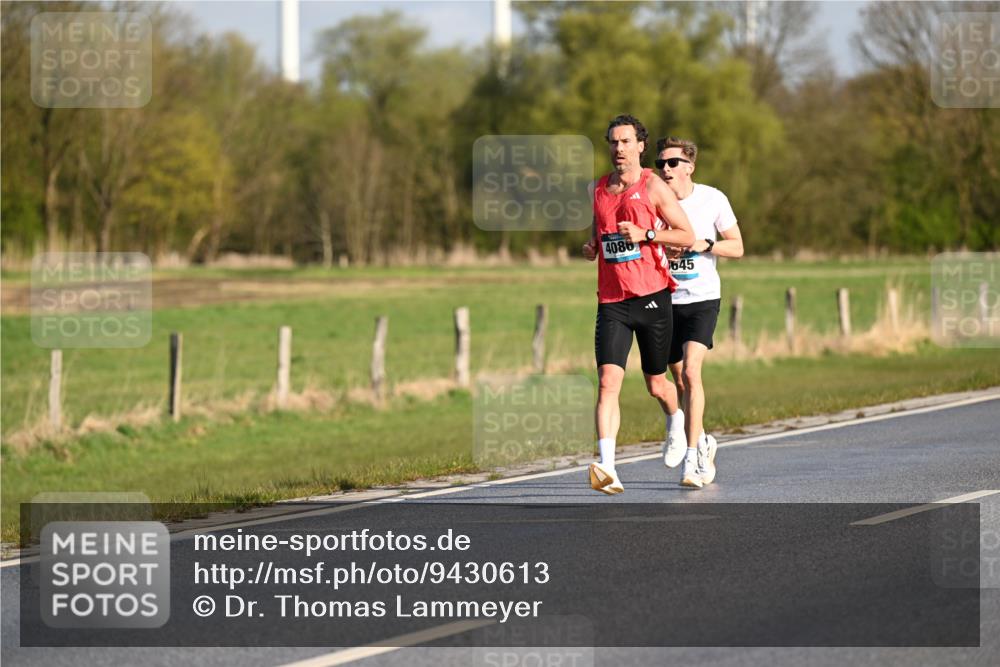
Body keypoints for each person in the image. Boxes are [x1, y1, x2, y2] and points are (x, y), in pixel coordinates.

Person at [580, 115, 695, 494]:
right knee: (607, 383)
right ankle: (607, 467)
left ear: (640, 146)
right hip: (612, 300)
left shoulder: (654, 186)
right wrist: (593, 245)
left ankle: (675, 419)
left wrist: (647, 233)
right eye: (613, 142)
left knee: (656, 384)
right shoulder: (598, 188)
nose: (619, 149)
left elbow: (686, 234)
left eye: (626, 142)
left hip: (651, 296)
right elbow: (601, 229)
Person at [655, 137, 744, 488]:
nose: (666, 169)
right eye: (662, 163)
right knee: (676, 380)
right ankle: (703, 439)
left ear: (690, 166)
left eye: (673, 163)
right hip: (665, 299)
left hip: (703, 298)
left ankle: (692, 461)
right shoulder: (653, 202)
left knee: (692, 373)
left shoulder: (713, 199)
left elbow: (737, 246)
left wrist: (703, 244)